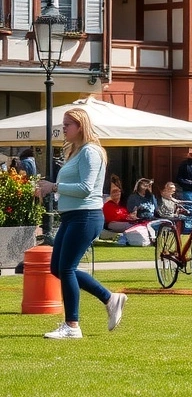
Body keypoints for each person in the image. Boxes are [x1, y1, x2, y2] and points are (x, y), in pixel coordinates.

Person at [34, 107, 127, 339]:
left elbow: (86, 189)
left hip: (85, 216)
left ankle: (72, 325)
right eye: (63, 124)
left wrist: (53, 187)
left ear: (80, 126)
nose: (63, 128)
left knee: (66, 268)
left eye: (67, 125)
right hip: (73, 216)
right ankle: (109, 298)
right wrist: (49, 187)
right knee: (58, 267)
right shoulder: (77, 152)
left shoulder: (90, 152)